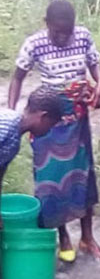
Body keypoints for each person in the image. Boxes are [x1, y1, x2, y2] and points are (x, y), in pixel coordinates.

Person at [8, 0, 100, 262]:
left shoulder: (83, 36)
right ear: (47, 24)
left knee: (82, 177)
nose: (63, 37)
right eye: (57, 31)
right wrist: (12, 113)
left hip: (77, 120)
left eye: (68, 31)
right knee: (53, 182)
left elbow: (95, 65)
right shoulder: (34, 43)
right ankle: (63, 236)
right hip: (47, 122)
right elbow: (17, 78)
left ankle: (87, 237)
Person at [0, 86, 63, 223]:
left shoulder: (14, 141)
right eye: (50, 125)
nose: (49, 131)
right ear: (43, 117)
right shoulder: (6, 126)